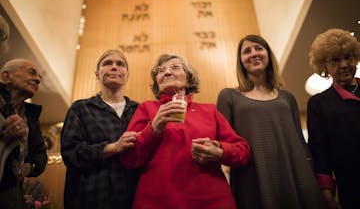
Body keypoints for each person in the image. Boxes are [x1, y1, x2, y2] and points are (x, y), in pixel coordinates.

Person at [121, 54, 251, 209]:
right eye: (161, 70)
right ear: (157, 81)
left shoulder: (210, 111)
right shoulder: (146, 108)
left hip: (212, 200)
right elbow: (129, 159)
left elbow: (243, 151)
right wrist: (153, 129)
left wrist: (219, 151)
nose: (167, 72)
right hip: (157, 201)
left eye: (175, 67)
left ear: (189, 79)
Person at [217, 34, 326, 209]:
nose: (254, 53)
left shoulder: (287, 97)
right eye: (247, 51)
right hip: (252, 175)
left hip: (295, 170)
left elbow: (300, 140)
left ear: (268, 54)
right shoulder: (228, 96)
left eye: (259, 48)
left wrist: (314, 178)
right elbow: (226, 144)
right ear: (240, 61)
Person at [61, 49, 140, 209]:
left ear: (127, 75)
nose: (114, 67)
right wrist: (113, 148)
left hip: (132, 198)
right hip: (90, 198)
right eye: (107, 63)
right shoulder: (80, 108)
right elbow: (70, 153)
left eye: (120, 64)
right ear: (97, 74)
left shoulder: (139, 110)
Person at [307, 28, 360, 209]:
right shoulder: (319, 104)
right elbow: (320, 152)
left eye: (348, 57)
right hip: (354, 188)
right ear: (324, 66)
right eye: (336, 60)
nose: (345, 64)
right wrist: (326, 194)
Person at [0, 58, 47, 209]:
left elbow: (41, 154)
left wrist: (31, 166)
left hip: (12, 190)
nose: (38, 80)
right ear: (7, 76)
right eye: (32, 73)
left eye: (40, 77)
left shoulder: (31, 117)